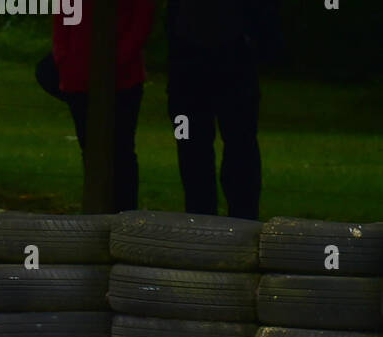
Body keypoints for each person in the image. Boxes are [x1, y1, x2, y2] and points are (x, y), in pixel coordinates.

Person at [166, 0, 277, 221]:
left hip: (215, 53)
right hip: (205, 53)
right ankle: (215, 220)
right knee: (213, 148)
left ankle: (222, 220)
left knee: (231, 147)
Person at [52, 0, 157, 213]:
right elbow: (61, 20)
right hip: (79, 77)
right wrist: (66, 62)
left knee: (122, 151)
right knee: (91, 148)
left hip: (123, 79)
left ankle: (124, 214)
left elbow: (141, 22)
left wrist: (113, 64)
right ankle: (96, 211)